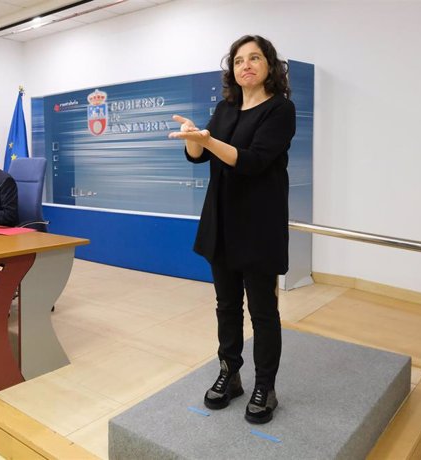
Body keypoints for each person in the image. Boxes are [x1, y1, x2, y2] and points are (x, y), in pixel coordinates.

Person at [169, 35, 296, 424]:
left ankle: (265, 386)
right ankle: (230, 372)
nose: (246, 65)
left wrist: (208, 142)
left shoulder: (281, 109)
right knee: (226, 306)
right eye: (239, 60)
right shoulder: (225, 108)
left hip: (259, 224)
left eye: (254, 58)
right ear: (233, 70)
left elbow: (253, 162)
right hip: (221, 223)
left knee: (262, 310)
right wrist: (195, 140)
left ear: (269, 66)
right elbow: (198, 157)